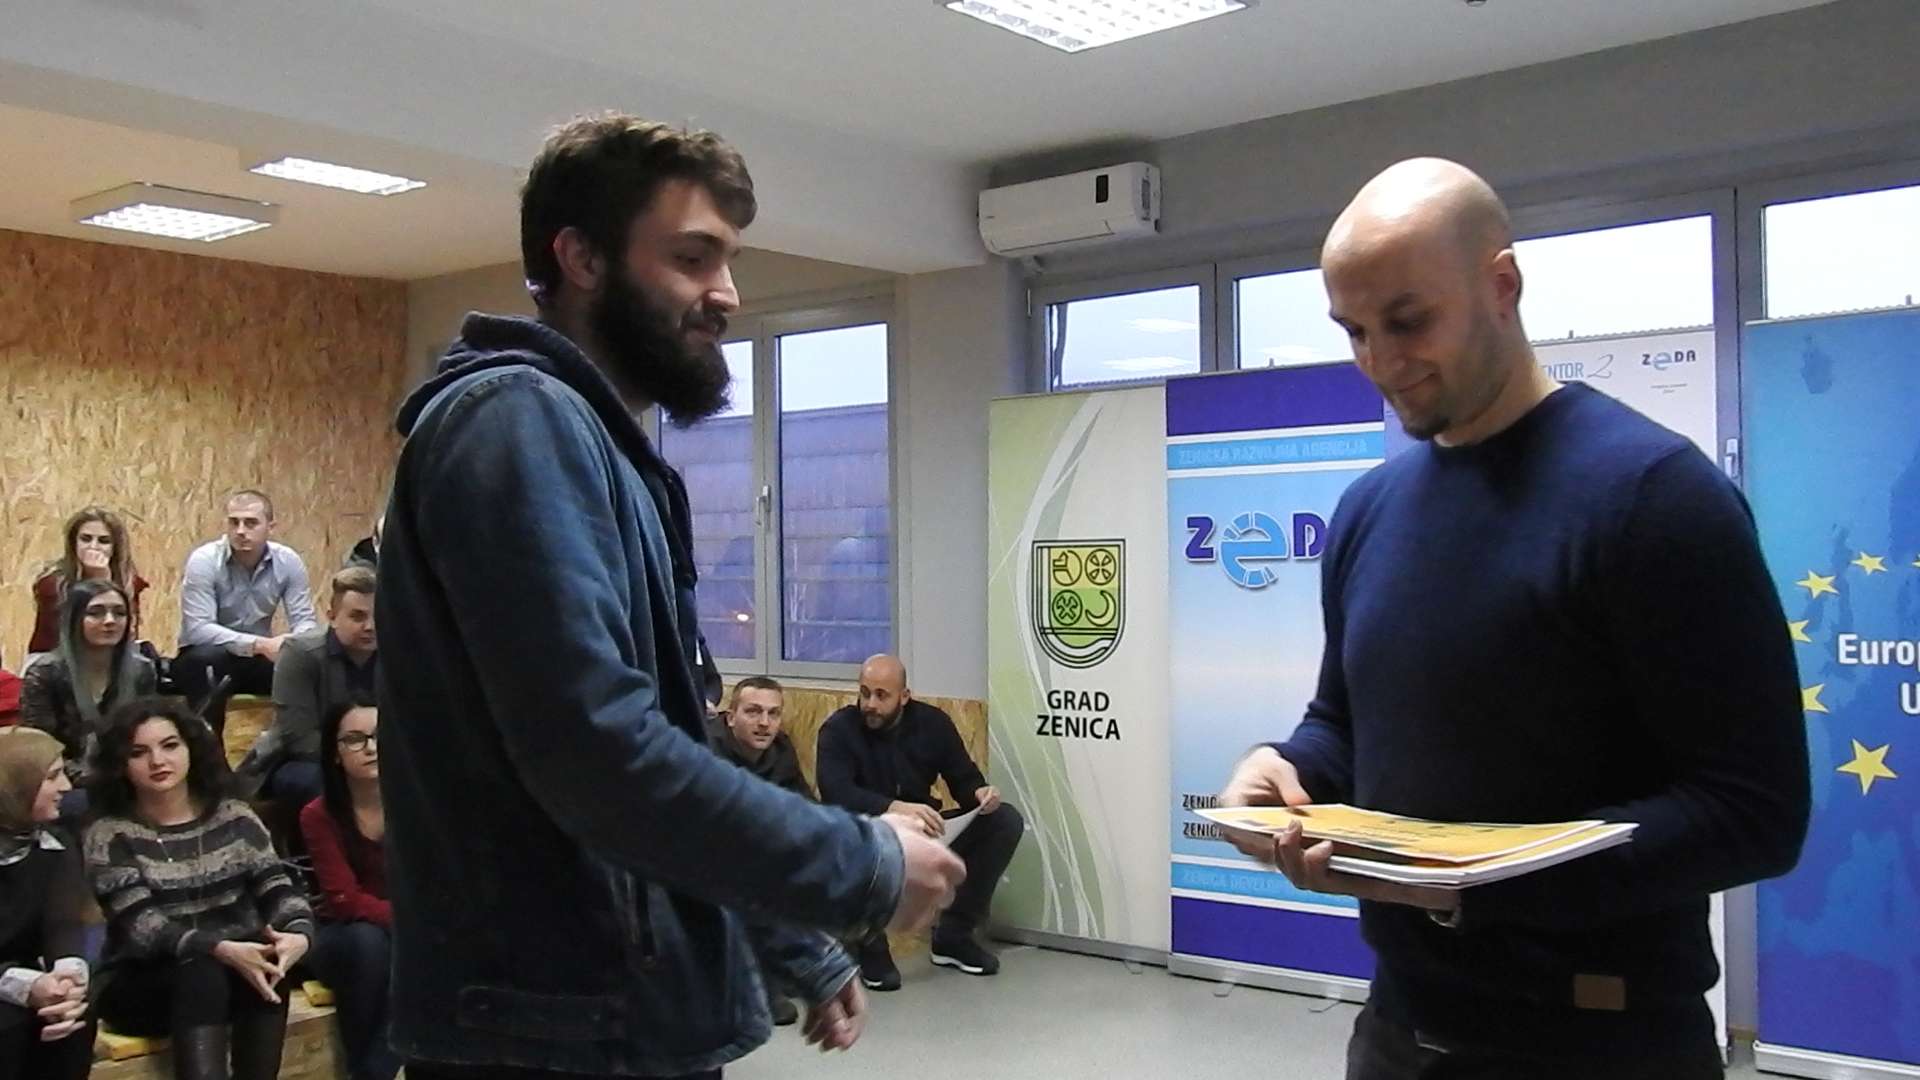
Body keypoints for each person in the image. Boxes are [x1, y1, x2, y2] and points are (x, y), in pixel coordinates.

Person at [378, 113, 963, 1080]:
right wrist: (859, 862)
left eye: (727, 261)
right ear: (581, 258)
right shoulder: (515, 426)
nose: (726, 293)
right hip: (549, 1032)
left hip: (618, 1015)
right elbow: (598, 753)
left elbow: (673, 745)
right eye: (692, 258)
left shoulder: (598, 445)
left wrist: (786, 933)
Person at [1215, 158, 1809, 1080]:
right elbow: (1344, 724)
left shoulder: (1656, 498)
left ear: (1502, 286)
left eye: (1408, 321)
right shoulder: (1370, 510)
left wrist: (1469, 885)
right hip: (1400, 1031)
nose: (1380, 361)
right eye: (1354, 331)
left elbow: (1753, 812)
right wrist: (1285, 770)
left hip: (1601, 1045)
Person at [85, 697, 315, 1080]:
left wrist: (298, 933)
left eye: (169, 745)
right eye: (139, 752)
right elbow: (145, 928)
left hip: (234, 970)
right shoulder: (110, 834)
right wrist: (219, 948)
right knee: (202, 970)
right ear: (120, 764)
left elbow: (277, 887)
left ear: (191, 748)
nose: (158, 761)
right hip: (142, 980)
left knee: (268, 962)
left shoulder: (234, 817)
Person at [816, 655, 1023, 990]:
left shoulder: (933, 724)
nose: (870, 704)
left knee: (1003, 821)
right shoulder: (839, 730)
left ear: (905, 696)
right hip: (867, 835)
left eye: (882, 695)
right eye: (864, 693)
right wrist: (894, 808)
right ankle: (868, 943)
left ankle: (954, 935)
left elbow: (964, 780)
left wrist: (981, 794)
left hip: (923, 833)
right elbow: (836, 792)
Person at [299, 703, 399, 1080]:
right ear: (335, 754)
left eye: (378, 737)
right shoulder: (318, 814)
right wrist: (409, 923)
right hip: (341, 934)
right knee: (370, 944)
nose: (370, 748)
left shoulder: (415, 805)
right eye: (355, 739)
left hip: (403, 932)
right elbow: (344, 900)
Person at [175, 490, 319, 739]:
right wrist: (260, 644)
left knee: (308, 665)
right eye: (234, 522)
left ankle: (297, 748)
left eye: (251, 523)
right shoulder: (204, 560)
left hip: (256, 659)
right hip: (207, 656)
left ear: (270, 527)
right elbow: (198, 629)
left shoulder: (288, 561)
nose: (241, 531)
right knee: (205, 661)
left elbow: (305, 621)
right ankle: (206, 751)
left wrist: (292, 644)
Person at [238, 566, 378, 807]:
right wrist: (353, 758)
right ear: (332, 617)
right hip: (302, 759)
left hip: (376, 755)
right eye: (358, 617)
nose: (370, 626)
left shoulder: (399, 656)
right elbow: (298, 737)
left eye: (378, 616)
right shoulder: (300, 653)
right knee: (322, 785)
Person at [0, 727, 95, 1080]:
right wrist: (27, 987)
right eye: (53, 777)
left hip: (22, 973)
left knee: (75, 1013)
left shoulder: (56, 843)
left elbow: (63, 923)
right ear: (17, 786)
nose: (66, 787)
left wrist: (66, 978)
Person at [21, 579, 158, 788]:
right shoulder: (44, 673)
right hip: (63, 784)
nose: (110, 621)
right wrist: (93, 781)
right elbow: (40, 749)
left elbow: (144, 734)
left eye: (120, 613)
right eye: (96, 613)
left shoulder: (142, 670)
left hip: (127, 779)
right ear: (74, 620)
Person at [27, 506, 151, 665]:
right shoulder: (53, 584)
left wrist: (107, 582)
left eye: (104, 541)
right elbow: (72, 636)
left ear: (115, 547)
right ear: (74, 543)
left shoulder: (128, 582)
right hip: (54, 659)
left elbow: (124, 635)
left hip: (110, 659)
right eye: (86, 539)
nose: (94, 547)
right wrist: (98, 582)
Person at [705, 676, 808, 797]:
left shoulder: (781, 746)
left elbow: (805, 801)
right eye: (753, 711)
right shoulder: (705, 747)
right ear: (731, 718)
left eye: (773, 713)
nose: (764, 723)